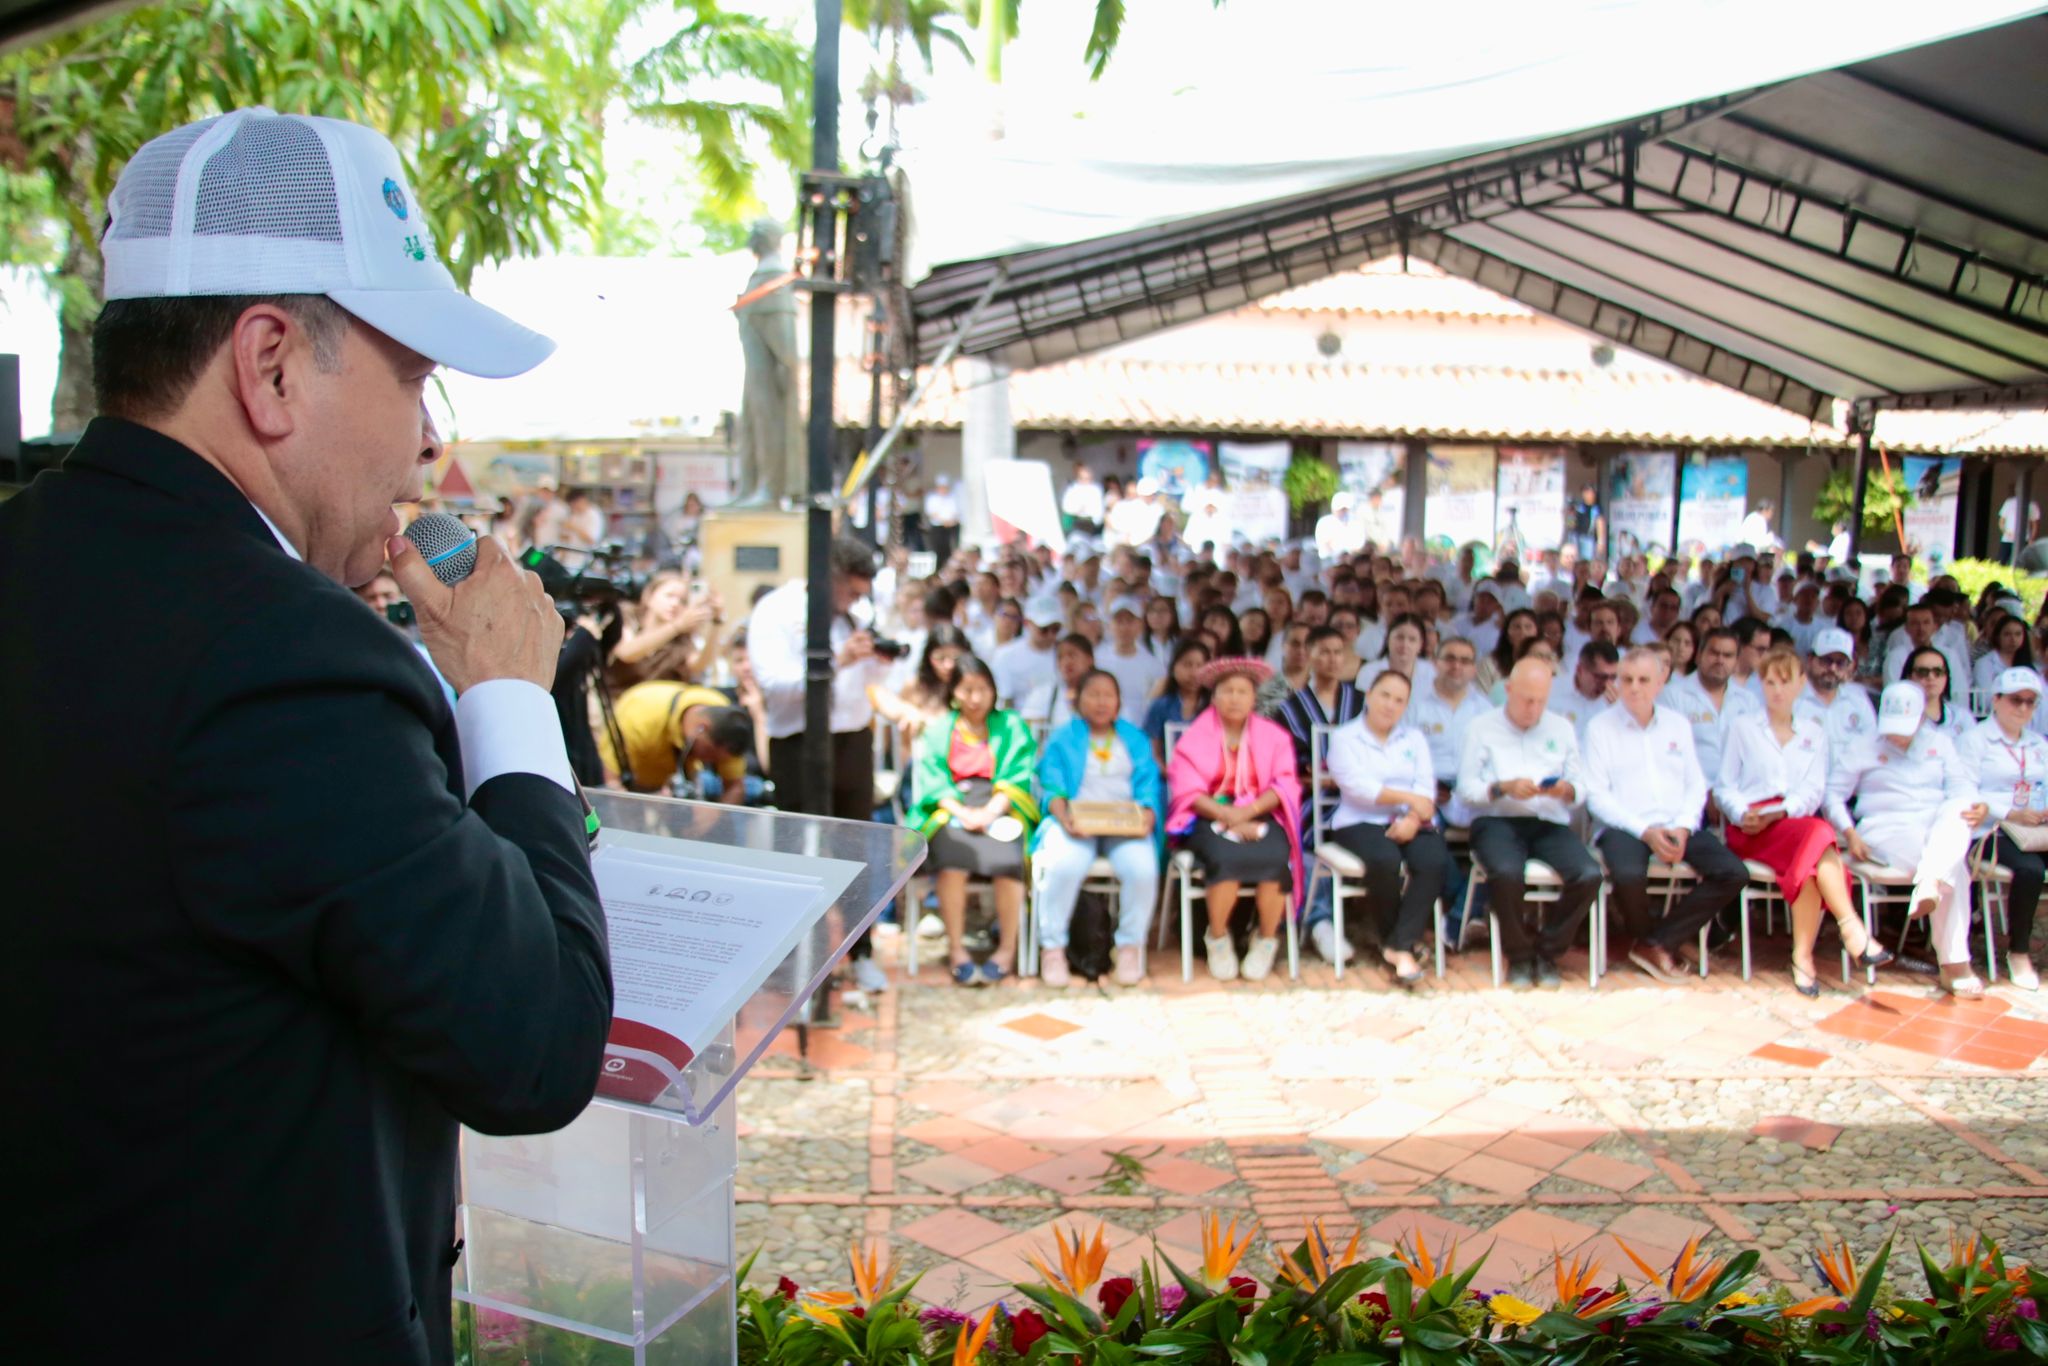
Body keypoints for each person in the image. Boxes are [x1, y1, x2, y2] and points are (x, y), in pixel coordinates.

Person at [1, 109, 612, 1360]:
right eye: (407, 375)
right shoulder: (285, 654)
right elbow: (532, 1045)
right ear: (270, 364)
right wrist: (506, 695)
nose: (429, 440)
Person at [748, 534, 891, 991]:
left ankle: (861, 950)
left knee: (858, 849)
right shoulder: (775, 610)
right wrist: (836, 660)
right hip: (799, 742)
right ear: (827, 577)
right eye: (849, 591)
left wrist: (878, 658)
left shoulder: (857, 615)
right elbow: (774, 681)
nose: (854, 601)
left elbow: (874, 678)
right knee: (801, 852)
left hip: (852, 738)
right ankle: (797, 961)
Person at [1718, 647, 1894, 994]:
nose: (1777, 690)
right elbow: (1725, 786)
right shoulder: (1742, 727)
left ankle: (1804, 957)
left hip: (1793, 820)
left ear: (1800, 683)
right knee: (1821, 835)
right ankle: (1851, 927)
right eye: (1769, 682)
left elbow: (1813, 790)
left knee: (1812, 855)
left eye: (1785, 681)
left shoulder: (1814, 732)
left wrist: (1782, 812)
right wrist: (1744, 814)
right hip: (1753, 827)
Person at [1583, 647, 1748, 982]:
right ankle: (1653, 941)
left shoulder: (1677, 724)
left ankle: (1658, 941)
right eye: (1626, 679)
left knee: (1732, 872)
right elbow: (1596, 796)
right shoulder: (1599, 727)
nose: (1634, 687)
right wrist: (1645, 830)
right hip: (1625, 826)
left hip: (1677, 822)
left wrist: (1685, 826)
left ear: (1660, 683)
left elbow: (1696, 784)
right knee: (1629, 874)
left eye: (1644, 680)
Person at [1829, 682, 1989, 999]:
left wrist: (1977, 805)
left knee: (1958, 810)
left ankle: (1930, 879)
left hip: (1936, 825)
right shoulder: (1863, 745)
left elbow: (1961, 787)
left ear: (1920, 719)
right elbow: (1833, 793)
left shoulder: (1940, 743)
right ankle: (1955, 965)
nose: (1897, 736)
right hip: (1886, 828)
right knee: (1955, 869)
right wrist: (1849, 832)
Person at [1456, 658, 1604, 988]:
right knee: (1507, 873)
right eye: (1526, 699)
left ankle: (1547, 951)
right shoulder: (1482, 727)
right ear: (1508, 690)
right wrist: (1503, 787)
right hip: (1497, 820)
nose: (1532, 708)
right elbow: (1466, 790)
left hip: (1548, 819)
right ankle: (1519, 955)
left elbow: (1580, 787)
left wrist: (1566, 789)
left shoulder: (1561, 728)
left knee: (1589, 874)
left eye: (1540, 700)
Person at [1167, 657, 1304, 983]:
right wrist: (1227, 815)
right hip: (1208, 815)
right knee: (1225, 859)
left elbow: (1285, 784)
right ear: (1214, 697)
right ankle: (1217, 938)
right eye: (1227, 691)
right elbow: (1187, 788)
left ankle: (1266, 939)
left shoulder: (1274, 736)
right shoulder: (1195, 737)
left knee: (1275, 860)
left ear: (1253, 698)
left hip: (1259, 813)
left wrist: (1246, 813)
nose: (1234, 698)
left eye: (1242, 691)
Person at [906, 657, 1040, 986]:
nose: (976, 698)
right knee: (952, 859)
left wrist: (990, 812)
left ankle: (1007, 950)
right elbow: (934, 780)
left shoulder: (1010, 725)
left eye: (983, 689)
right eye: (967, 689)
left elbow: (1016, 775)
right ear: (954, 693)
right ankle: (957, 950)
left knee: (1010, 861)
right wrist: (964, 813)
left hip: (999, 805)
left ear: (994, 691)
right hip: (952, 808)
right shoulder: (940, 729)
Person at [1034, 670, 1165, 988]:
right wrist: (1065, 817)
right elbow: (1051, 785)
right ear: (1078, 700)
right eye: (1094, 694)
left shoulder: (1133, 737)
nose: (1102, 701)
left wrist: (1147, 814)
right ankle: (1053, 948)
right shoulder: (1064, 738)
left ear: (1119, 702)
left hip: (1124, 826)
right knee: (1063, 865)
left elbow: (1148, 784)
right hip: (1077, 823)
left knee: (1142, 870)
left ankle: (1129, 947)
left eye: (1109, 695)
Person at [1325, 670, 1449, 987]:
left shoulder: (1414, 738)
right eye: (1384, 695)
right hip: (1358, 820)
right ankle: (1401, 946)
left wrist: (1411, 818)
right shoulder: (1345, 737)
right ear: (1368, 696)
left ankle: (1396, 944)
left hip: (1410, 819)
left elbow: (1426, 786)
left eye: (1399, 700)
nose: (1390, 705)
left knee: (1434, 860)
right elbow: (1358, 788)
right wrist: (1408, 799)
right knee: (1384, 859)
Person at [1279, 626, 1366, 964]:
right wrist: (1308, 778)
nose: (1331, 659)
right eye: (1324, 651)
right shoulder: (1289, 706)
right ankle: (1320, 922)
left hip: (1357, 795)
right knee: (1308, 833)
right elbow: (1283, 760)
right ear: (1310, 656)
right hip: (1309, 796)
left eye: (1337, 652)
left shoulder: (1361, 702)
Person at [1961, 668, 2048, 989]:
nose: (2023, 708)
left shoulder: (2039, 744)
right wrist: (2010, 812)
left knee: (2034, 863)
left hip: (2034, 828)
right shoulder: (1974, 740)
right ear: (1996, 700)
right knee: (2030, 870)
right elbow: (1964, 789)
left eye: (2030, 701)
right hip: (1989, 829)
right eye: (2016, 700)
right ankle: (2019, 951)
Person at [600, 680, 755, 798]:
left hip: (679, 792)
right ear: (702, 728)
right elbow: (610, 784)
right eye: (708, 753)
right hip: (635, 788)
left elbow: (735, 786)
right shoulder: (640, 718)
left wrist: (716, 816)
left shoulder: (728, 723)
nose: (709, 761)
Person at [1662, 626, 1758, 785]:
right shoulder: (1672, 695)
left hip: (1738, 796)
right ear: (1698, 655)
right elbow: (1669, 754)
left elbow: (1755, 753)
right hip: (1690, 796)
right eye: (1714, 653)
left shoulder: (1748, 701)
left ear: (1736, 661)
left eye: (1727, 655)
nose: (1720, 660)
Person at [610, 569, 719, 690]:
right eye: (669, 596)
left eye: (682, 601)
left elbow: (698, 665)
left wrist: (716, 624)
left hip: (661, 703)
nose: (675, 604)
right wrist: (677, 626)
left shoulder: (681, 637)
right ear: (649, 596)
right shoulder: (628, 615)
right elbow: (626, 652)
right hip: (622, 701)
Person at [870, 623, 971, 752]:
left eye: (956, 657)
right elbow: (905, 743)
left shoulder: (973, 687)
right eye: (940, 658)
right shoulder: (914, 687)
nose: (948, 665)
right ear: (928, 657)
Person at [1146, 637, 1212, 762]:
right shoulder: (1160, 706)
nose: (1194, 672)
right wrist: (1166, 770)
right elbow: (1153, 750)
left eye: (1200, 665)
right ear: (1173, 667)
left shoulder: (1214, 706)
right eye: (1187, 665)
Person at [994, 598, 1063, 708]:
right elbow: (1005, 702)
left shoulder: (1067, 654)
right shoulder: (1005, 656)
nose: (1050, 635)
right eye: (1044, 629)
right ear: (1027, 623)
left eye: (1055, 629)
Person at [1549, 639, 1618, 740]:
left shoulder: (1619, 700)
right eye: (1600, 677)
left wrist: (1619, 712)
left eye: (1613, 677)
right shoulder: (1551, 690)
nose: (1608, 684)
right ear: (1579, 670)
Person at [1904, 644, 1970, 738]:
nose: (1931, 677)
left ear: (1946, 677)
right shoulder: (1900, 717)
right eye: (1922, 672)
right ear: (1909, 677)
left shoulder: (1962, 717)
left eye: (1938, 672)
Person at [1974, 612, 2036, 697]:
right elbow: (1984, 699)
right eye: (2007, 634)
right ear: (1997, 636)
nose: (2013, 639)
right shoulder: (1984, 664)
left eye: (2018, 634)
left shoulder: (2028, 664)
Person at [923, 473, 961, 567]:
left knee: (952, 550)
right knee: (939, 551)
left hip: (952, 527)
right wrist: (944, 521)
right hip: (938, 528)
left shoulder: (953, 497)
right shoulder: (932, 498)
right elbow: (932, 513)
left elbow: (956, 512)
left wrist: (951, 521)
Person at [1063, 463, 1106, 533]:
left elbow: (1099, 507)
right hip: (1077, 521)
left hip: (1092, 522)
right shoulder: (1072, 489)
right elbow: (1066, 507)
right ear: (1079, 478)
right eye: (1083, 478)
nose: (1085, 481)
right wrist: (1078, 509)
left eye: (1088, 478)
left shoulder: (1096, 489)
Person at [2000, 490, 2041, 563]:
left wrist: (2031, 539)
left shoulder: (2032, 505)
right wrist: (2006, 532)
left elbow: (2035, 525)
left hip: (2024, 539)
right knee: (2001, 561)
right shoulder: (2009, 503)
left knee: (2021, 563)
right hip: (2007, 539)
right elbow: (2001, 522)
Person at [1568, 482, 1605, 563]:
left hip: (1588, 537)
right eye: (1585, 492)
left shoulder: (1596, 508)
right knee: (1574, 559)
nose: (1587, 495)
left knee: (1587, 560)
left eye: (1589, 492)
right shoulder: (1578, 506)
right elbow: (1570, 523)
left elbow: (1600, 523)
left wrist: (1601, 541)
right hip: (1576, 536)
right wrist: (1571, 515)